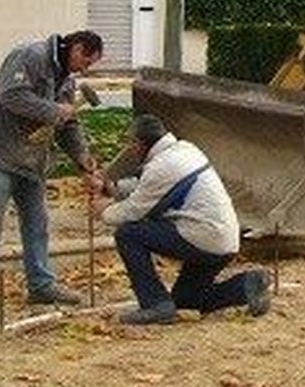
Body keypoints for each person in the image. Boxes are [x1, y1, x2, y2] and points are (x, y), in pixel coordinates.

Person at [0, 30, 104, 318]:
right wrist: (53, 110)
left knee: (38, 225)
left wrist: (82, 158)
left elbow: (67, 124)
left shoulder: (66, 77)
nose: (85, 70)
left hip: (31, 162)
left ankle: (41, 286)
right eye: (86, 62)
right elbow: (10, 95)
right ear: (76, 48)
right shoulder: (30, 56)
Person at [95, 113, 271, 325]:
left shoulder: (160, 167)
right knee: (185, 301)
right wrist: (112, 189)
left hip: (203, 238)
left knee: (128, 234)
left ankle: (154, 304)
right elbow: (149, 186)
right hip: (223, 241)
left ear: (141, 144)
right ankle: (245, 286)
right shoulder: (184, 150)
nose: (131, 149)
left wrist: (103, 212)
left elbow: (134, 210)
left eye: (132, 143)